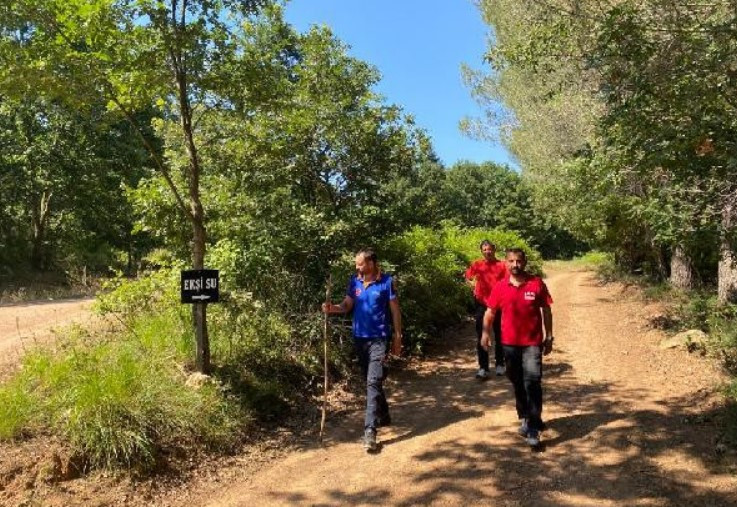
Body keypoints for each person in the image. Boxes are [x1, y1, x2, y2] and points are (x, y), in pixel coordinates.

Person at [323, 248, 402, 452]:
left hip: (379, 339)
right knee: (372, 379)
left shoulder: (386, 282)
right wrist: (332, 309)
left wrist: (397, 337)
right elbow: (347, 305)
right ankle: (383, 414)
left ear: (371, 263)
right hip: (359, 339)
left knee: (372, 381)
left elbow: (395, 310)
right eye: (356, 264)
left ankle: (370, 430)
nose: (357, 267)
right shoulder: (355, 282)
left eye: (360, 264)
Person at [481, 248, 553, 447]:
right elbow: (490, 312)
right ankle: (525, 416)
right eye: (511, 261)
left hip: (532, 343)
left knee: (532, 381)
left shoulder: (536, 283)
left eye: (519, 261)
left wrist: (549, 336)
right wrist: (486, 334)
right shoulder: (500, 287)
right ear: (506, 263)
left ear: (525, 262)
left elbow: (546, 310)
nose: (515, 265)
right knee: (517, 381)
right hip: (509, 344)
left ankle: (533, 426)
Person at [465, 240, 508, 380]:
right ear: (481, 251)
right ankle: (483, 367)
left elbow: (508, 282)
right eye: (484, 250)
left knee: (499, 335)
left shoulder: (502, 265)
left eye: (489, 249)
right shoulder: (477, 264)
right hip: (481, 304)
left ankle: (500, 364)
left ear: (494, 249)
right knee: (481, 335)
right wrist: (472, 286)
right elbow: (467, 277)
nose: (487, 252)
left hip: (498, 305)